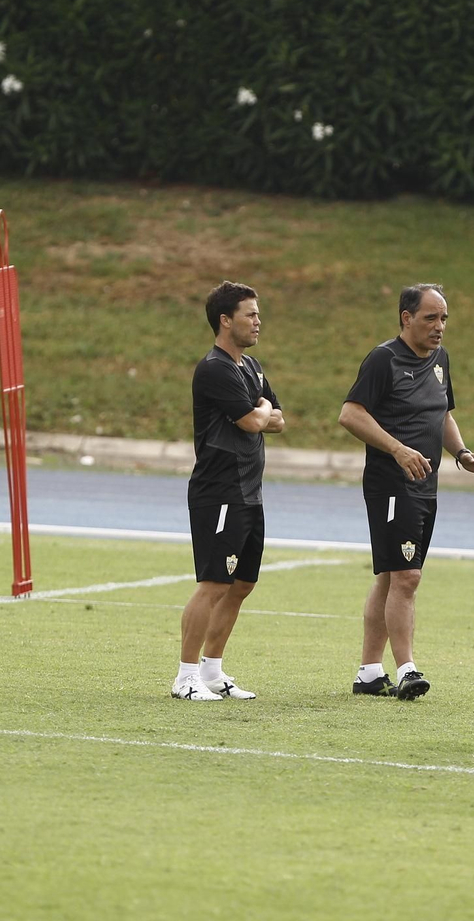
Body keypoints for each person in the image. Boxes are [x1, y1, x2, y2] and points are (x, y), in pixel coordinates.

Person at [338, 283, 474, 700]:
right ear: (406, 318)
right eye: (431, 317)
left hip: (426, 486)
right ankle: (407, 668)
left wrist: (463, 454)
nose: (439, 326)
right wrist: (396, 448)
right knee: (407, 576)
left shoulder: (440, 359)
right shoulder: (383, 359)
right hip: (392, 485)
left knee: (392, 576)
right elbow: (350, 414)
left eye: (444, 318)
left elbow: (441, 412)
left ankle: (370, 673)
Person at [173, 280, 285, 701]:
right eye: (250, 314)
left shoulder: (251, 367)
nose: (258, 321)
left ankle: (212, 672)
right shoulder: (215, 368)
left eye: (258, 313)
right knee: (214, 582)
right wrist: (260, 411)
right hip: (219, 491)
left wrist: (260, 410)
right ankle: (184, 677)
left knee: (241, 584)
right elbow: (256, 422)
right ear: (225, 320)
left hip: (249, 492)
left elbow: (279, 419)